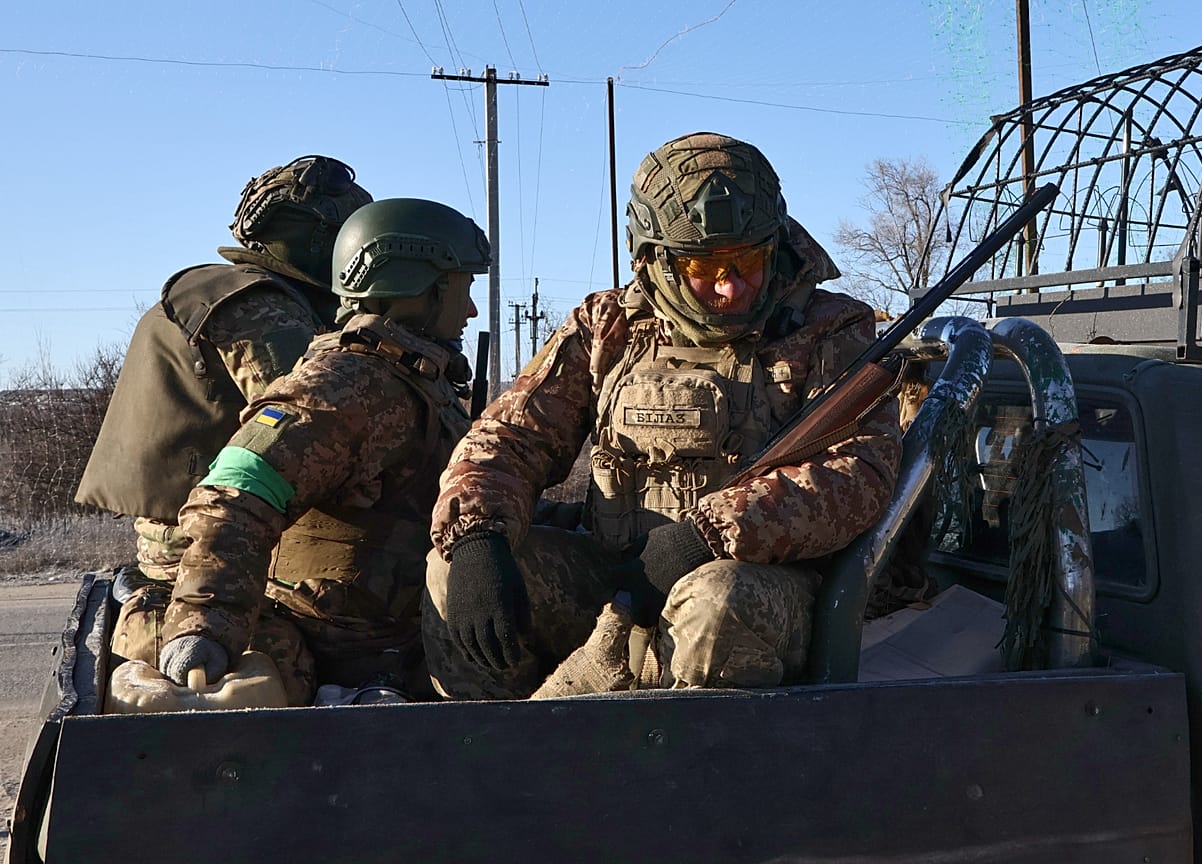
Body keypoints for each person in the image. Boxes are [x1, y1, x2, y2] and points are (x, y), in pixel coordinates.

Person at [424, 131, 902, 699]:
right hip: (618, 580)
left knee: (717, 605)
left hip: (763, 584)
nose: (731, 286)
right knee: (452, 573)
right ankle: (498, 760)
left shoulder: (832, 329)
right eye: (705, 265)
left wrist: (707, 534)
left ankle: (680, 779)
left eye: (748, 259)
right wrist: (479, 533)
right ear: (655, 259)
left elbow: (858, 473)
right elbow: (509, 436)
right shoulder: (608, 324)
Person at [153, 198, 489, 705]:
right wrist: (206, 620)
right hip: (349, 648)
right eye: (463, 290)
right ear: (417, 291)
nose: (470, 310)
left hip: (402, 629)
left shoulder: (409, 379)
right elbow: (236, 490)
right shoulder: (343, 387)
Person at [75, 155, 371, 672]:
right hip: (214, 550)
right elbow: (309, 424)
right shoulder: (260, 306)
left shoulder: (222, 293)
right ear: (322, 241)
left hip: (189, 539)